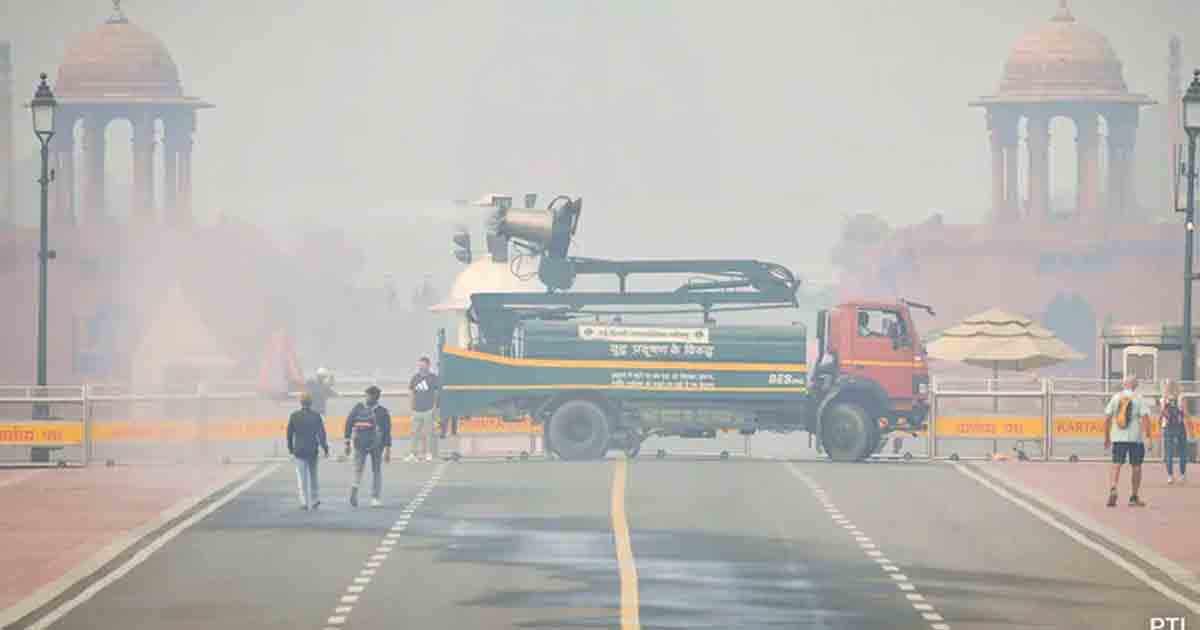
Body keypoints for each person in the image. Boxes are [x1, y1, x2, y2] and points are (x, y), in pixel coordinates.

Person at [1104, 376, 1156, 507]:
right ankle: (1133, 497)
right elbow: (1145, 419)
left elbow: (1107, 418)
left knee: (1116, 464)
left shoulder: (1116, 397)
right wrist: (1149, 438)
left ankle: (1113, 488)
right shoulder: (1139, 398)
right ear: (1135, 386)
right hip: (1135, 439)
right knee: (1136, 467)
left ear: (1124, 385)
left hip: (1118, 437)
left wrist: (1107, 437)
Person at [344, 386, 392, 507]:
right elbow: (387, 431)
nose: (366, 397)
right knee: (376, 471)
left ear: (371, 397)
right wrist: (387, 449)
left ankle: (355, 488)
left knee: (358, 470)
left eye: (367, 395)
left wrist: (347, 442)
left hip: (360, 443)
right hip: (377, 445)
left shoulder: (358, 409)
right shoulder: (383, 412)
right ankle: (375, 498)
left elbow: (348, 423)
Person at [287, 392, 329, 510]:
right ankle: (315, 499)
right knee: (313, 476)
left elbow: (289, 434)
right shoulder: (316, 416)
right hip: (312, 450)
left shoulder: (294, 416)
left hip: (299, 450)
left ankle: (303, 501)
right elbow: (321, 434)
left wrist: (290, 448)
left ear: (301, 402)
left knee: (302, 477)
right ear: (311, 403)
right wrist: (325, 448)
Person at [407, 357, 441, 462]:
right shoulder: (415, 378)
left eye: (423, 365)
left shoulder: (433, 378)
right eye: (419, 365)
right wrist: (411, 407)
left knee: (429, 433)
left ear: (428, 365)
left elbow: (436, 393)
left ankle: (428, 453)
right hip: (416, 410)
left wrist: (434, 407)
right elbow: (412, 393)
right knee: (414, 433)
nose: (421, 367)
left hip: (428, 410)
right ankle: (413, 453)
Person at [1161, 380, 1190, 484]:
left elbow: (1162, 412)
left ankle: (1170, 476)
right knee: (1182, 450)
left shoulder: (1163, 398)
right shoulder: (1181, 396)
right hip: (1180, 426)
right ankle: (1182, 475)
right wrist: (1189, 421)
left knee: (1169, 452)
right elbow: (1185, 412)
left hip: (1167, 426)